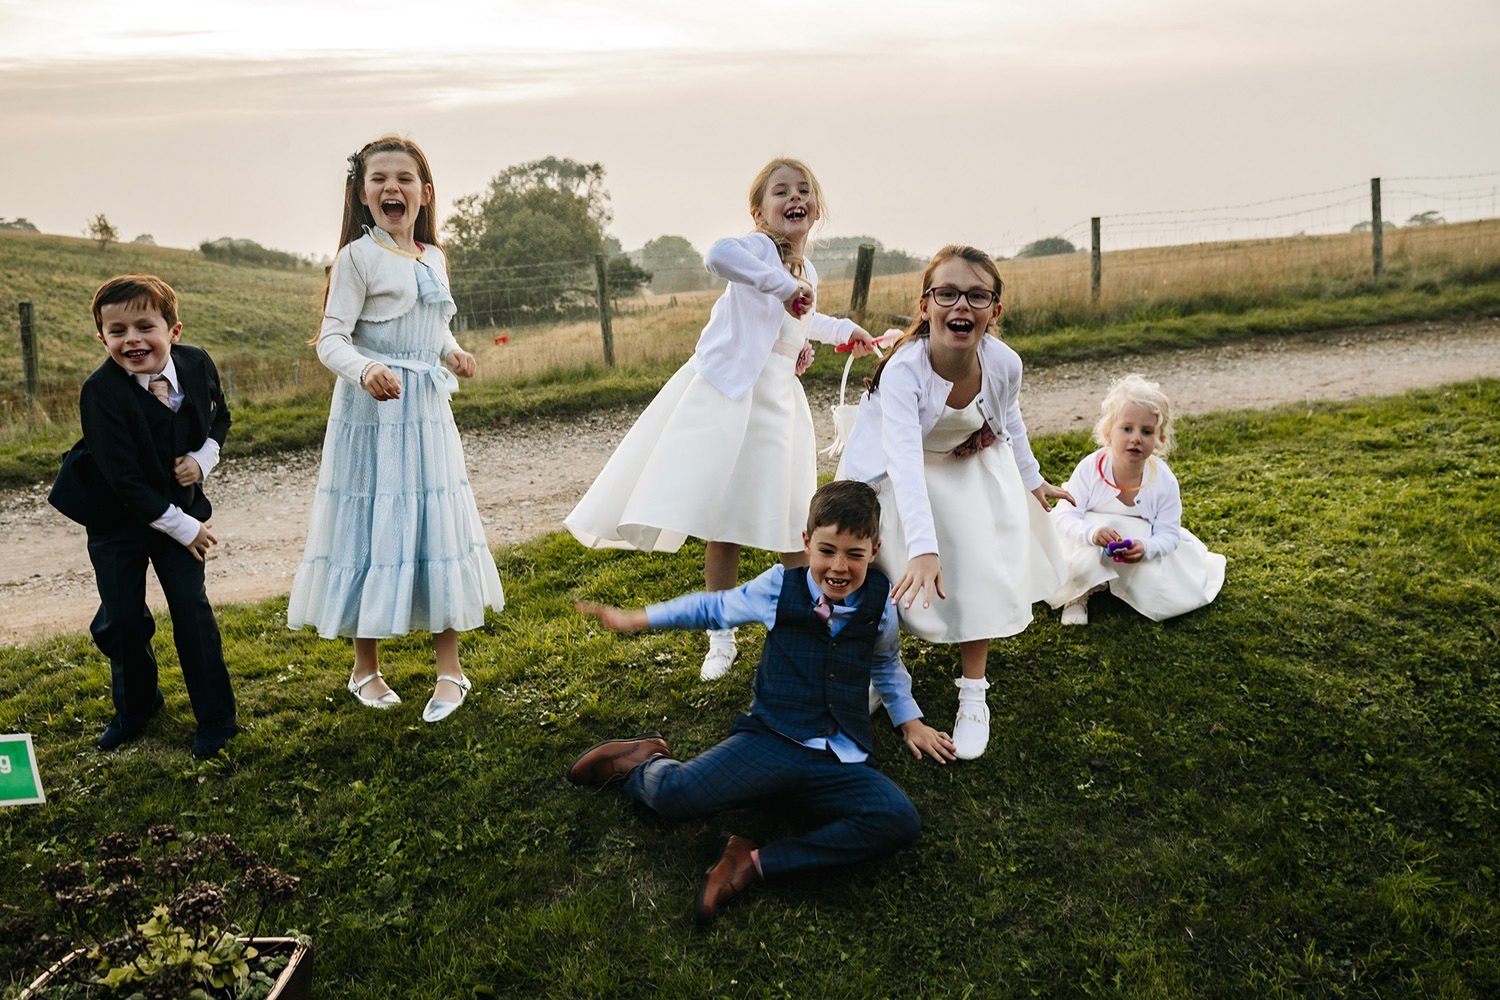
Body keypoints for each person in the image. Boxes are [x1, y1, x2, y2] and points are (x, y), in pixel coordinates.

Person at [568, 480, 954, 924]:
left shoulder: (880, 601)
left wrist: (910, 721)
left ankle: (753, 862)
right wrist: (640, 618)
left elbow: (885, 663)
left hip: (839, 756)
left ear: (875, 549)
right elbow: (712, 609)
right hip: (771, 739)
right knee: (678, 797)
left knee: (897, 820)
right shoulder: (778, 588)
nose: (839, 567)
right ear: (807, 543)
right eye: (827, 550)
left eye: (855, 554)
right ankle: (639, 763)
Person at [565, 157, 875, 682]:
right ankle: (720, 635)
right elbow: (719, 256)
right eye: (781, 191)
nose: (794, 197)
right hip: (733, 398)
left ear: (816, 208)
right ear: (760, 212)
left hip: (778, 401)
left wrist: (843, 330)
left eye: (804, 190)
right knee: (723, 524)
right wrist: (780, 286)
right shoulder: (755, 250)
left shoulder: (809, 269)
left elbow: (802, 317)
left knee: (792, 519)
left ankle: (806, 625)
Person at [286, 134, 503, 723]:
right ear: (362, 193)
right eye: (379, 178)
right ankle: (365, 668)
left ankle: (451, 670)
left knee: (437, 526)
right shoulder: (356, 258)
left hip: (427, 411)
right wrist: (367, 369)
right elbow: (332, 339)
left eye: (404, 178)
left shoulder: (433, 256)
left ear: (425, 192)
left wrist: (452, 351)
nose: (392, 188)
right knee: (370, 524)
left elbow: (427, 325)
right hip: (371, 415)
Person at [837, 246, 1070, 760]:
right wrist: (924, 547)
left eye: (977, 295)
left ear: (994, 310)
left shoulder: (1004, 362)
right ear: (925, 305)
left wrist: (1033, 482)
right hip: (892, 472)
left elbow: (1011, 423)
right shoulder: (904, 371)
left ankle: (973, 695)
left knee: (977, 556)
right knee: (871, 571)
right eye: (947, 293)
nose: (960, 305)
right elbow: (901, 460)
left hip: (962, 463)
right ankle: (879, 670)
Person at [48, 274, 238, 759]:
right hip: (116, 517)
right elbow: (124, 481)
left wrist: (203, 459)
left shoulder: (196, 364)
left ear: (173, 330)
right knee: (125, 619)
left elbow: (220, 418)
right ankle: (136, 708)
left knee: (191, 612)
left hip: (180, 508)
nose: (132, 339)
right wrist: (185, 527)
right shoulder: (100, 392)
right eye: (117, 331)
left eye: (144, 326)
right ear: (103, 338)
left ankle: (216, 718)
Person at [1046, 373, 1226, 624]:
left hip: (1135, 541)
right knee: (1078, 552)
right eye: (1127, 428)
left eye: (1147, 431)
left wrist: (1147, 548)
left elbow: (1168, 534)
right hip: (1088, 538)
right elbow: (1065, 515)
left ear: (1160, 439)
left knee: (1164, 581)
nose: (1136, 438)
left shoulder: (1163, 482)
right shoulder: (1091, 469)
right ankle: (1077, 595)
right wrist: (1092, 533)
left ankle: (1123, 584)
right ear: (1108, 432)